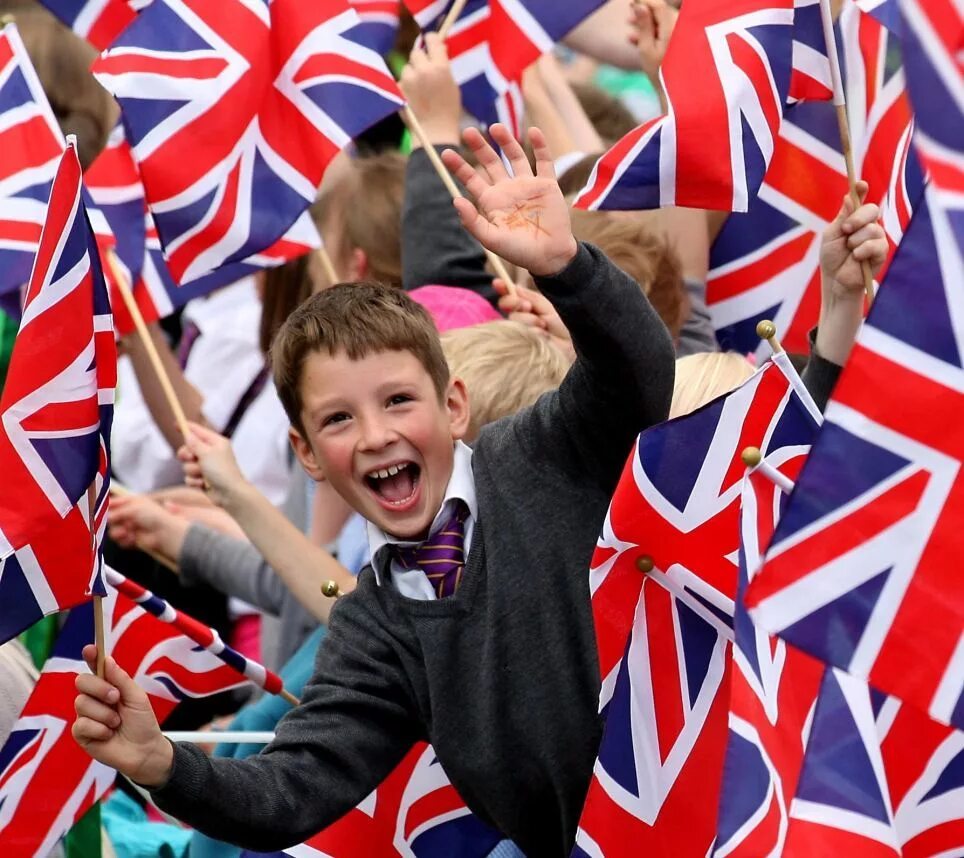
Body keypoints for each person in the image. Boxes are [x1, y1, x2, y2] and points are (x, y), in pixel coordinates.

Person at [72, 123, 677, 858]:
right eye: (338, 419)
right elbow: (293, 788)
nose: (375, 436)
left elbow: (640, 379)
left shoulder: (536, 455)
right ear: (310, 456)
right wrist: (163, 766)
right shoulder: (376, 625)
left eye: (398, 401)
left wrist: (568, 266)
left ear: (453, 406)